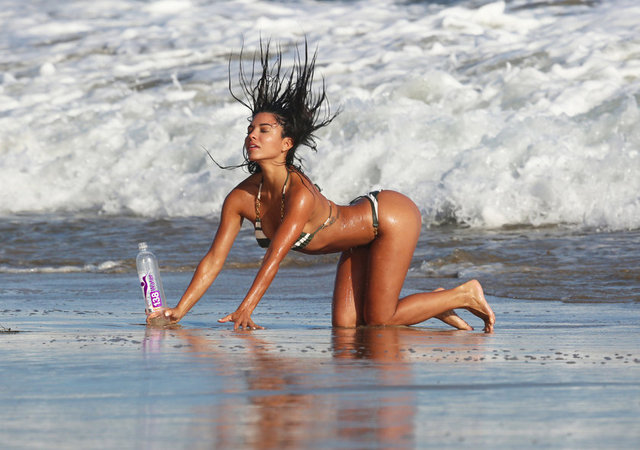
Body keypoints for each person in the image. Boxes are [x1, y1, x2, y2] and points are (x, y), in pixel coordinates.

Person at [147, 41, 495, 333]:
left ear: (286, 144)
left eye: (264, 130)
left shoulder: (299, 194)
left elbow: (274, 257)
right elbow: (213, 259)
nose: (253, 135)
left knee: (380, 319)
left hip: (387, 218)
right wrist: (179, 311)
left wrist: (246, 307)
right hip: (357, 240)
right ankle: (435, 301)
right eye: (250, 129)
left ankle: (462, 294)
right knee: (346, 329)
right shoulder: (240, 199)